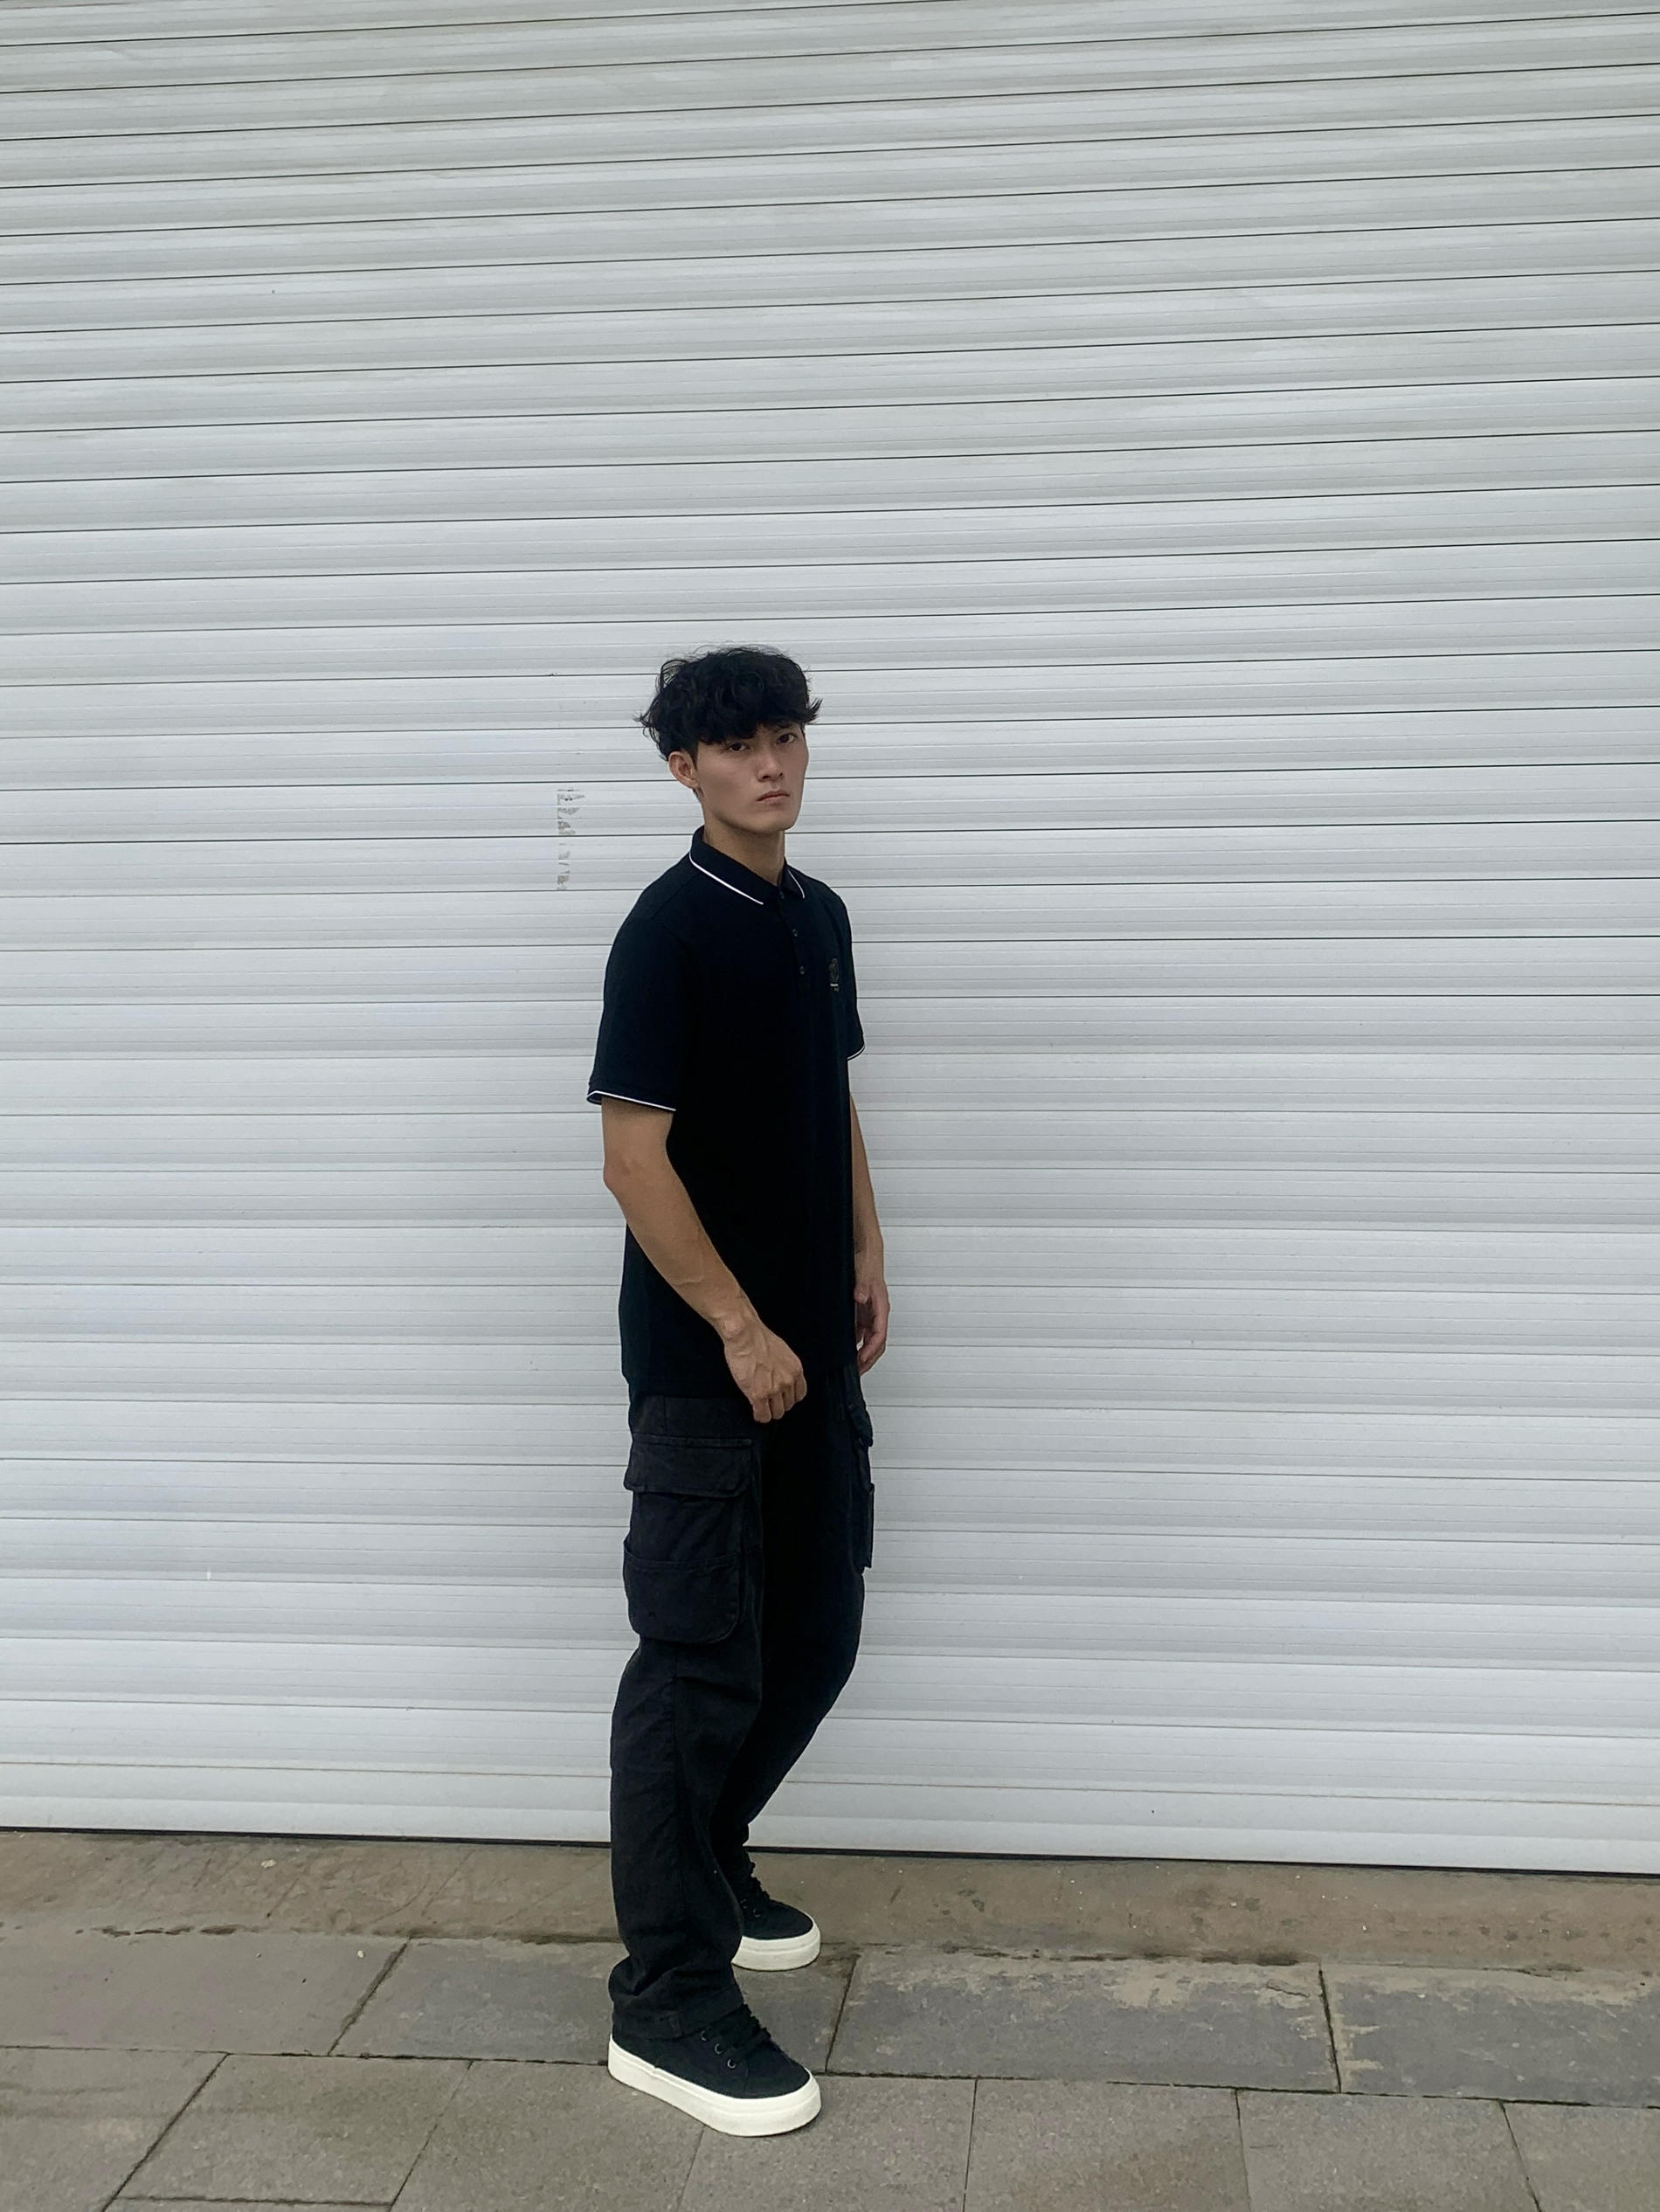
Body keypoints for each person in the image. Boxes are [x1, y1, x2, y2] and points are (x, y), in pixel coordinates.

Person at [586, 645, 889, 2136]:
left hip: (811, 1350)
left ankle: (713, 1861)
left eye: (787, 738)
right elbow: (631, 1156)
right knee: (698, 1668)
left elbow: (831, 1095)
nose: (771, 764)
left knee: (816, 1633)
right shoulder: (668, 930)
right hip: (712, 1372)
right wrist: (740, 1325)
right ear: (684, 769)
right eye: (736, 746)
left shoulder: (816, 914)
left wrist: (867, 1254)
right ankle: (667, 1999)